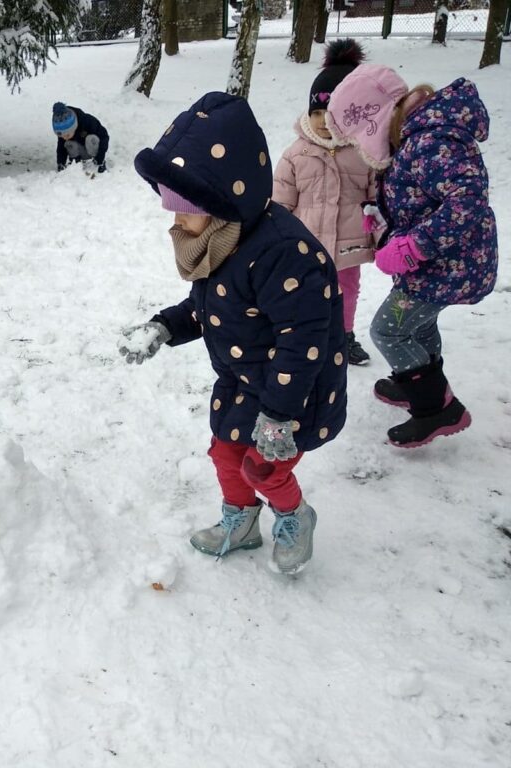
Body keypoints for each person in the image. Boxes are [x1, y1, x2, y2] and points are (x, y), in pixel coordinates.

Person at [121, 92, 347, 574]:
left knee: (265, 467)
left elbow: (304, 338)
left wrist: (280, 417)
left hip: (293, 391)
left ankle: (295, 517)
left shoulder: (282, 253)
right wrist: (165, 325)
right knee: (225, 454)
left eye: (184, 210)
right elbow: (211, 306)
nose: (177, 221)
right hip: (245, 379)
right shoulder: (224, 238)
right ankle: (241, 523)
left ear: (223, 201)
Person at [327, 65, 498, 447]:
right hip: (444, 265)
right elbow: (421, 197)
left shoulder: (432, 140)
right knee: (418, 328)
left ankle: (437, 409)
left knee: (388, 330)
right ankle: (418, 384)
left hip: (447, 266)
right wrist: (385, 221)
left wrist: (415, 245)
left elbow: (467, 200)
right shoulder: (418, 135)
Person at [273, 39, 375, 366]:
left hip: (348, 244)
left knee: (347, 291)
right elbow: (280, 201)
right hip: (306, 244)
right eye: (315, 112)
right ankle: (300, 335)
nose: (321, 121)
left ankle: (343, 335)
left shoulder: (365, 154)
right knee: (302, 292)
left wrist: (379, 233)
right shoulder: (296, 153)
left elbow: (375, 200)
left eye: (329, 113)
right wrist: (275, 239)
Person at [52, 102, 109, 173]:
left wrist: (100, 156)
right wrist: (60, 163)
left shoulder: (87, 121)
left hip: (93, 150)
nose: (64, 138)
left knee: (91, 139)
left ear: (74, 127)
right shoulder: (64, 133)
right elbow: (61, 149)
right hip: (80, 152)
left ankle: (98, 164)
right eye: (61, 136)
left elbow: (104, 136)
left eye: (67, 135)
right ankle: (77, 163)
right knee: (68, 143)